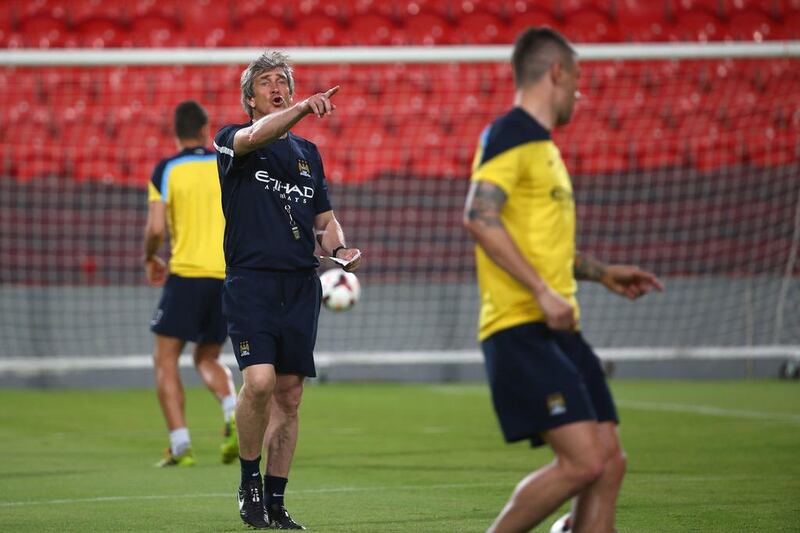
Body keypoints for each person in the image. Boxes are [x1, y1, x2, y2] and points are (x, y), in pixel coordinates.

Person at [463, 28, 664, 533]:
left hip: (557, 329)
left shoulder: (544, 148)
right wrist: (542, 291)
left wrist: (600, 273)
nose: (580, 90)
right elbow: (479, 217)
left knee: (609, 463)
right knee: (583, 463)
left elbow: (539, 245)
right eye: (576, 78)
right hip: (519, 327)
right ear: (556, 72)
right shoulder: (512, 132)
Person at [213, 51, 361, 530]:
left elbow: (324, 220)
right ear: (249, 97)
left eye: (283, 81)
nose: (277, 87)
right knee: (259, 382)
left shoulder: (307, 156)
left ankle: (275, 502)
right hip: (251, 281)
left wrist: (338, 248)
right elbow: (258, 135)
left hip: (300, 285)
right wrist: (300, 109)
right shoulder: (233, 141)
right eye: (266, 82)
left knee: (291, 395)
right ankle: (248, 482)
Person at [144, 100, 239, 467]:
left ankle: (181, 445)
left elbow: (155, 229)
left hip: (186, 275)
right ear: (205, 130)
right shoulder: (224, 164)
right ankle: (232, 410)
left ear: (176, 132)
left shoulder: (167, 169)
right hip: (227, 275)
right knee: (208, 356)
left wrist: (150, 257)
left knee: (165, 359)